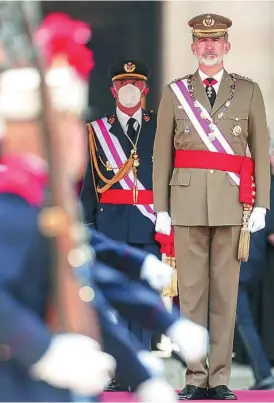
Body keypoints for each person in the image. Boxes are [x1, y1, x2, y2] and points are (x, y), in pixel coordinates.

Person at [0, 18, 116, 400]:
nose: (74, 136)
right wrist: (44, 351)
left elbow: (82, 287)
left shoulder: (50, 197)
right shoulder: (14, 201)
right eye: (62, 123)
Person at [153, 13, 271, 400]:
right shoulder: (175, 93)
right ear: (192, 47)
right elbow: (161, 155)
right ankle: (194, 375)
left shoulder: (249, 91)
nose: (208, 47)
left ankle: (219, 378)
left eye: (215, 41)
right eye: (202, 42)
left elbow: (261, 149)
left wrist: (261, 205)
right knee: (191, 294)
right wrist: (162, 209)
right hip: (185, 202)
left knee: (225, 296)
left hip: (231, 203)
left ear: (226, 47)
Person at [80, 59, 162, 351]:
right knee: (113, 299)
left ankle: (141, 360)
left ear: (146, 90)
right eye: (122, 84)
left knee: (144, 299)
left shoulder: (162, 125)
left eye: (136, 83)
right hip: (110, 226)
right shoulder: (96, 130)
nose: (129, 88)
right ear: (113, 91)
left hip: (150, 226)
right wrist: (87, 227)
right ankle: (118, 368)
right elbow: (90, 184)